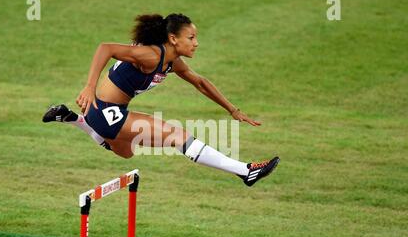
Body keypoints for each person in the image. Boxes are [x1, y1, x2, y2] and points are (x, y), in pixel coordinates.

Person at [43, 13, 279, 186]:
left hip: (104, 114)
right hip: (104, 110)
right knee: (178, 136)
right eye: (191, 37)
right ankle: (245, 171)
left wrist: (232, 109)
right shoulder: (151, 55)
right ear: (174, 38)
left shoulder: (172, 61)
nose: (196, 42)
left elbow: (200, 82)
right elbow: (105, 48)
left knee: (125, 152)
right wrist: (89, 86)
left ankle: (74, 119)